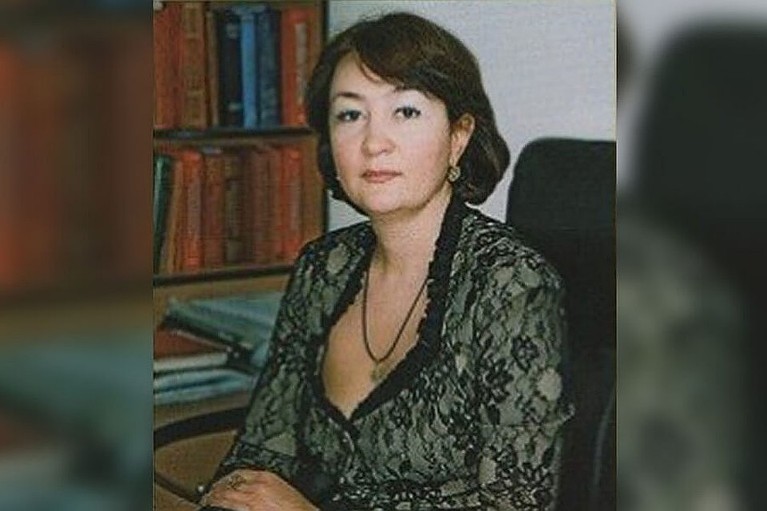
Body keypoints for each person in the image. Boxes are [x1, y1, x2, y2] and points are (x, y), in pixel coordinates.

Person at [200, 12, 572, 511]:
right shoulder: (322, 268)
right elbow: (262, 452)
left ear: (458, 136)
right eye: (350, 115)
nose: (374, 142)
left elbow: (516, 503)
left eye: (406, 111)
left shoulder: (512, 285)